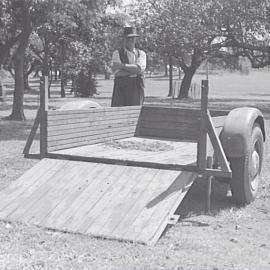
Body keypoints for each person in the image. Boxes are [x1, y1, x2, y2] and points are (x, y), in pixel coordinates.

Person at [111, 26, 146, 106]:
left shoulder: (141, 54)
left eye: (132, 38)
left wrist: (122, 66)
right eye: (127, 38)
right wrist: (134, 71)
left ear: (135, 39)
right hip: (121, 90)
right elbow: (117, 73)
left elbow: (139, 69)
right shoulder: (117, 53)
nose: (130, 41)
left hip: (136, 90)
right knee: (118, 113)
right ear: (124, 40)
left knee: (135, 113)